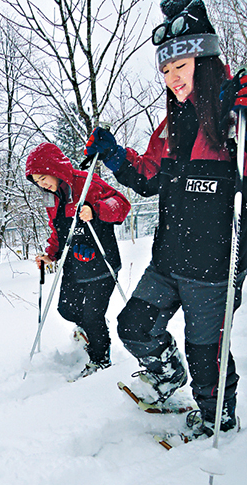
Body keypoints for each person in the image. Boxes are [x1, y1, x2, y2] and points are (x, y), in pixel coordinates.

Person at [82, 0, 247, 438]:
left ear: (205, 60)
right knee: (133, 326)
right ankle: (167, 376)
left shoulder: (235, 119)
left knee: (206, 354)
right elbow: (148, 177)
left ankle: (218, 418)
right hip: (168, 259)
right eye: (167, 68)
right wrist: (114, 154)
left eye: (183, 64)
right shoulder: (170, 126)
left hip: (212, 268)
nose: (173, 77)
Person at [25, 142, 130, 379]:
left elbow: (122, 205)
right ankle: (93, 331)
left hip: (102, 264)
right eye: (36, 181)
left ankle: (100, 359)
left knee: (93, 316)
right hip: (74, 265)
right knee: (66, 309)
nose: (41, 184)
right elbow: (58, 229)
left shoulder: (87, 183)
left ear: (55, 168)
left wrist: (97, 209)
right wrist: (50, 254)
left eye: (43, 177)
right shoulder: (50, 197)